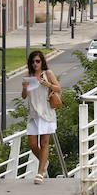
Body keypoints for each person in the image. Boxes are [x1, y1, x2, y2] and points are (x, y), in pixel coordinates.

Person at [22, 50, 61, 184]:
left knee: (44, 143)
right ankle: (44, 162)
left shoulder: (47, 73)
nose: (35, 64)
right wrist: (24, 88)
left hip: (46, 113)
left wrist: (47, 84)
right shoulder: (28, 76)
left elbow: (58, 88)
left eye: (37, 61)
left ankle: (40, 173)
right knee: (33, 144)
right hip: (33, 114)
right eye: (33, 61)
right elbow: (24, 96)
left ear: (42, 61)